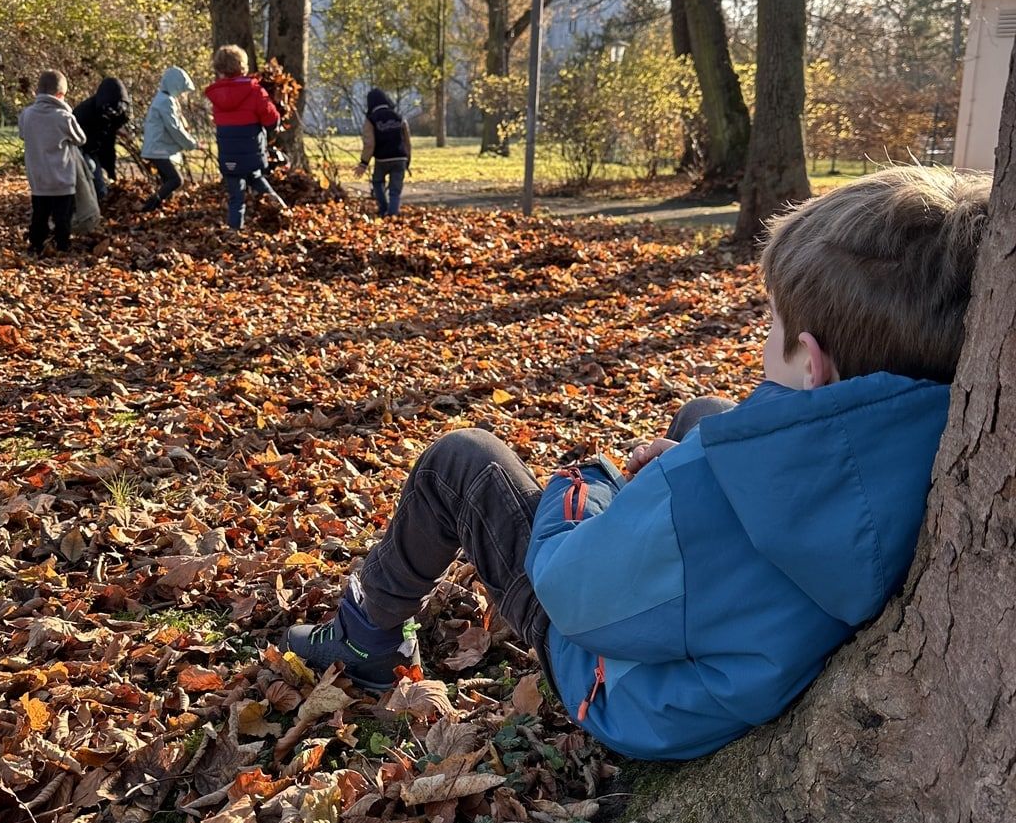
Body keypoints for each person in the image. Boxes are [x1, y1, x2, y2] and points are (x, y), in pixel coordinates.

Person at [286, 166, 991, 761]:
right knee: (708, 414)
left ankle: (364, 633)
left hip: (626, 689)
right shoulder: (933, 434)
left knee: (460, 462)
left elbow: (571, 591)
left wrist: (597, 484)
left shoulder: (695, 495)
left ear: (810, 361)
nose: (763, 335)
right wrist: (699, 456)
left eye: (772, 323)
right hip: (750, 644)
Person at [203, 45, 286, 230]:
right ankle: (281, 208)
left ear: (219, 69)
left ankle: (235, 231)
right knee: (256, 177)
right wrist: (275, 125)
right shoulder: (254, 91)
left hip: (229, 155)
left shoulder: (217, 95)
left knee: (236, 196)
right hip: (251, 152)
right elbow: (270, 118)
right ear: (243, 66)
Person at [18, 69, 87, 254]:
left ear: (37, 92)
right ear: (60, 95)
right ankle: (62, 245)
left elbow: (23, 134)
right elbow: (81, 139)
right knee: (62, 217)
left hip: (38, 179)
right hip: (62, 179)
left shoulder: (27, 115)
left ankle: (36, 244)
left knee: (39, 215)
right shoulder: (64, 117)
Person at [141, 67, 198, 211]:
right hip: (158, 149)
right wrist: (191, 144)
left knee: (167, 181)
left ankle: (158, 208)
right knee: (176, 180)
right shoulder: (165, 102)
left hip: (157, 148)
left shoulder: (164, 99)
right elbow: (175, 128)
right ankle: (149, 206)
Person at [73, 77, 131, 202]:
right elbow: (76, 138)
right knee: (92, 170)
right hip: (81, 147)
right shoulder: (84, 112)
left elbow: (108, 142)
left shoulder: (118, 112)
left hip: (98, 148)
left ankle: (99, 202)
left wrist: (111, 171)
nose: (113, 113)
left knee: (100, 180)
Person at [357, 87, 411, 217]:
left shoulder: (371, 120)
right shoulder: (399, 118)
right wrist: (408, 160)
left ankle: (383, 208)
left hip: (382, 159)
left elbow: (369, 144)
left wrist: (363, 163)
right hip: (400, 158)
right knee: (395, 189)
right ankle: (393, 213)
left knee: (377, 182)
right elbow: (407, 141)